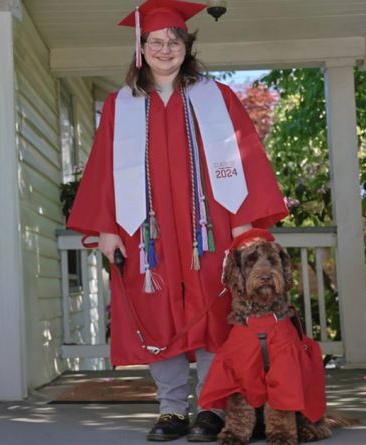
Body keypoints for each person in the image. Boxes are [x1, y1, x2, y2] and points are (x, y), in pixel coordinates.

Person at [67, 0, 288, 441]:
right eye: (156, 41)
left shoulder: (216, 98)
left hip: (210, 230)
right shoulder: (120, 106)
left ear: (187, 46)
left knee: (216, 311)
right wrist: (107, 228)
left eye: (174, 41)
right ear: (141, 47)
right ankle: (171, 409)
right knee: (155, 314)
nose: (165, 49)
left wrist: (244, 224)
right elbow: (103, 169)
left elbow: (245, 159)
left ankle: (212, 408)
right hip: (147, 233)